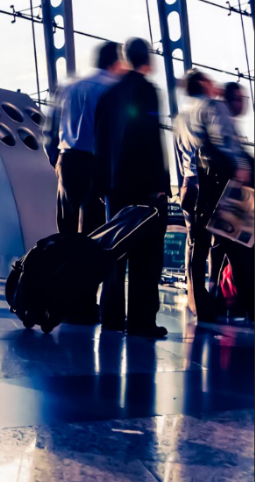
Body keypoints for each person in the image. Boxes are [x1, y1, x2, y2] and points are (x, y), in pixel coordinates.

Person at [94, 38, 170, 338]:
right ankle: (141, 320)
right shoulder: (147, 90)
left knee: (115, 249)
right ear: (146, 58)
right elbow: (150, 137)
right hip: (144, 186)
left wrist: (102, 186)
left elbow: (100, 142)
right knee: (147, 255)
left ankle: (111, 315)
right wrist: (160, 185)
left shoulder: (109, 94)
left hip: (114, 187)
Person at [175, 70, 251, 321]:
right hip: (213, 187)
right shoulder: (212, 107)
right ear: (201, 83)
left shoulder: (181, 116)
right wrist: (242, 165)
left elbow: (181, 155)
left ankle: (199, 305)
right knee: (235, 245)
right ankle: (244, 303)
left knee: (196, 248)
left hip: (189, 187)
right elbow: (225, 140)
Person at [46, 41, 124, 241]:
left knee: (67, 226)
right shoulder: (114, 89)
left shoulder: (70, 86)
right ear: (116, 62)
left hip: (67, 160)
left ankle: (65, 260)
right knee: (94, 229)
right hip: (97, 163)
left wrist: (56, 159)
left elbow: (50, 128)